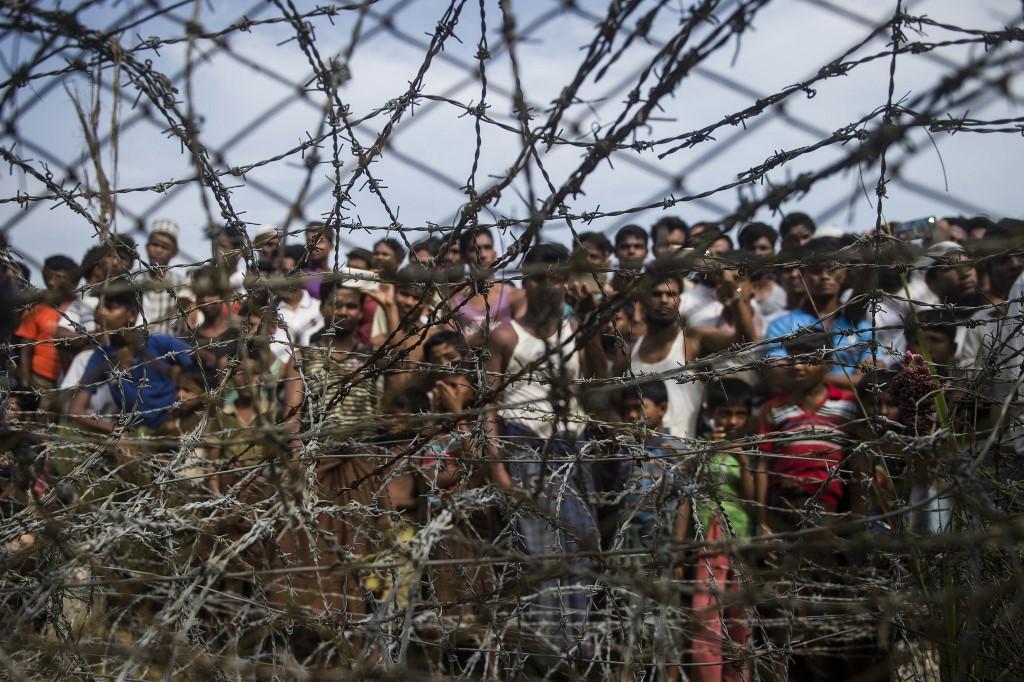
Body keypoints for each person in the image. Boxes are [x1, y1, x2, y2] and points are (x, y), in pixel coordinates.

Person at [485, 243, 605, 661]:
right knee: (545, 548)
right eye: (538, 277)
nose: (547, 286)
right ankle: (551, 646)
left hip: (573, 447)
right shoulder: (506, 335)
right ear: (525, 281)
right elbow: (489, 404)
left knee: (582, 542)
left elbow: (599, 382)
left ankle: (574, 635)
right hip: (526, 446)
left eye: (556, 276)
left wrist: (591, 323)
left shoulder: (575, 332)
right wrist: (496, 464)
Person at [616, 262, 756, 439]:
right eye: (657, 294)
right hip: (638, 456)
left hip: (682, 456)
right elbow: (610, 399)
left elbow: (744, 342)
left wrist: (735, 294)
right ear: (644, 300)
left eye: (671, 294)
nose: (664, 300)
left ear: (679, 301)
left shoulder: (691, 341)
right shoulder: (630, 351)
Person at [612, 379, 690, 681]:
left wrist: (677, 545)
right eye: (628, 409)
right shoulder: (623, 451)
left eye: (639, 408)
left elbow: (683, 501)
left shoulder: (676, 450)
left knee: (666, 616)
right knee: (628, 618)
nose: (633, 415)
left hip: (661, 538)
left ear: (662, 409)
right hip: (628, 541)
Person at [687, 378, 756, 682]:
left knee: (740, 616)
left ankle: (737, 675)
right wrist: (708, 451)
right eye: (725, 413)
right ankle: (708, 675)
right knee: (707, 611)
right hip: (709, 538)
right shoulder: (702, 447)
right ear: (712, 412)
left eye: (740, 414)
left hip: (741, 538)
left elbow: (754, 499)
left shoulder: (751, 450)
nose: (732, 421)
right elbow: (692, 488)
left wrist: (740, 455)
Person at [67, 278, 194, 436]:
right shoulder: (103, 355)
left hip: (178, 425)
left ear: (132, 314)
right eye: (99, 307)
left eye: (110, 307)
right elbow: (76, 410)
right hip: (138, 434)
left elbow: (202, 374)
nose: (101, 313)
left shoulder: (160, 344)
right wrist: (115, 431)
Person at [763, 237, 874, 386]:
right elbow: (779, 377)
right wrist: (853, 381)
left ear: (844, 272)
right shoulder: (782, 326)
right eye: (816, 271)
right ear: (803, 275)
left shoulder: (861, 325)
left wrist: (808, 376)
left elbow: (870, 377)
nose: (824, 276)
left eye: (832, 269)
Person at [16, 255, 77, 415]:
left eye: (61, 278)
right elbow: (25, 349)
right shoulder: (36, 309)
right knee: (42, 425)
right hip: (40, 378)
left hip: (71, 377)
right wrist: (25, 382)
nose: (53, 283)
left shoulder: (77, 309)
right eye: (51, 278)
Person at [448, 227, 524, 345]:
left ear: (494, 253)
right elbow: (450, 346)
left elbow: (522, 338)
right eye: (474, 249)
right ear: (464, 258)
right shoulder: (454, 303)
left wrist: (471, 339)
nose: (482, 255)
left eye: (487, 247)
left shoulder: (515, 296)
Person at [139, 219, 192, 336]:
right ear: (147, 247)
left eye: (165, 247)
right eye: (155, 244)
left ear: (174, 252)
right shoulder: (133, 281)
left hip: (169, 350)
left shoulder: (181, 285)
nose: (158, 250)